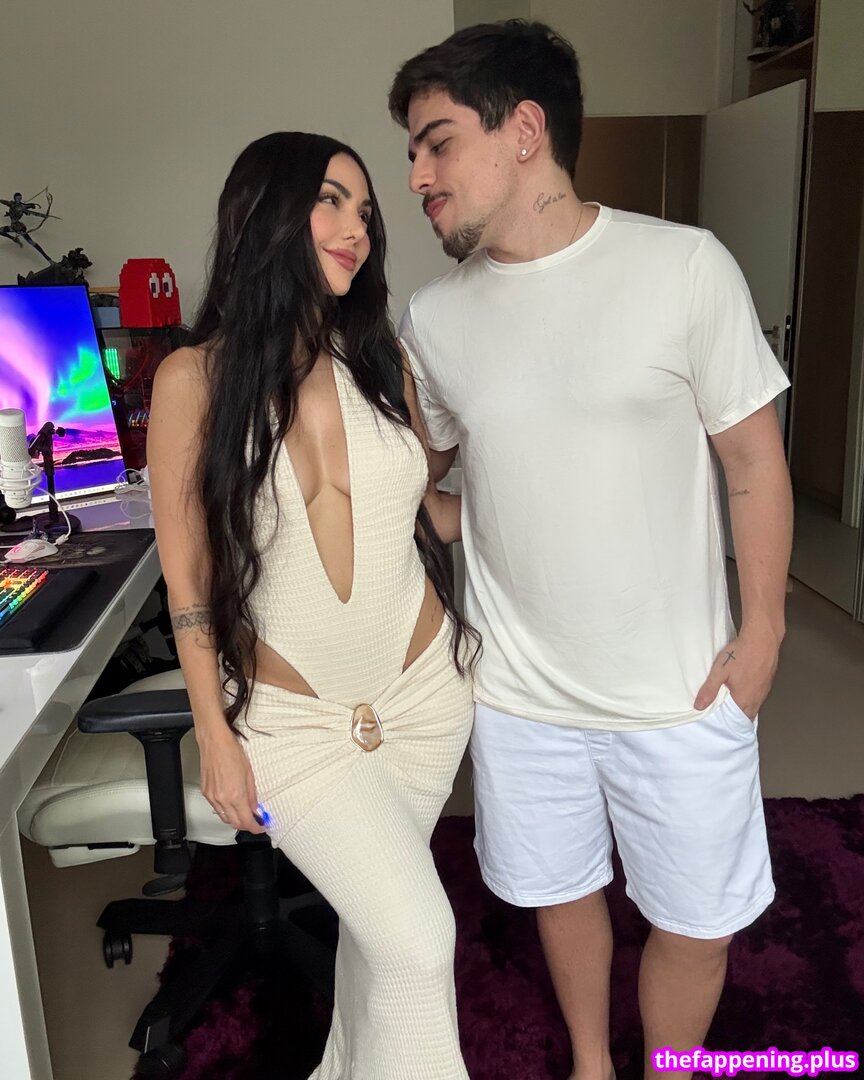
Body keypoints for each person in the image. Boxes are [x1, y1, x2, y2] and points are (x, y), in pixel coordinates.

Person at [389, 21, 793, 1080]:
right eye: (413, 151)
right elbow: (423, 481)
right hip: (522, 698)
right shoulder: (434, 318)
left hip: (681, 691)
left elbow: (753, 460)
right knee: (559, 893)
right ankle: (589, 1063)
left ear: (523, 130)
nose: (417, 175)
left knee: (697, 921)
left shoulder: (684, 267)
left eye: (437, 143)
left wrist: (764, 633)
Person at [146, 131, 478, 1080]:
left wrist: (526, 498)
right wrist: (214, 733)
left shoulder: (379, 358)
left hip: (423, 697)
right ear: (265, 213)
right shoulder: (193, 380)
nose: (357, 228)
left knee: (381, 933)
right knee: (419, 939)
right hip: (294, 725)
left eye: (365, 211)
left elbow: (422, 514)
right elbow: (189, 584)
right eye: (331, 200)